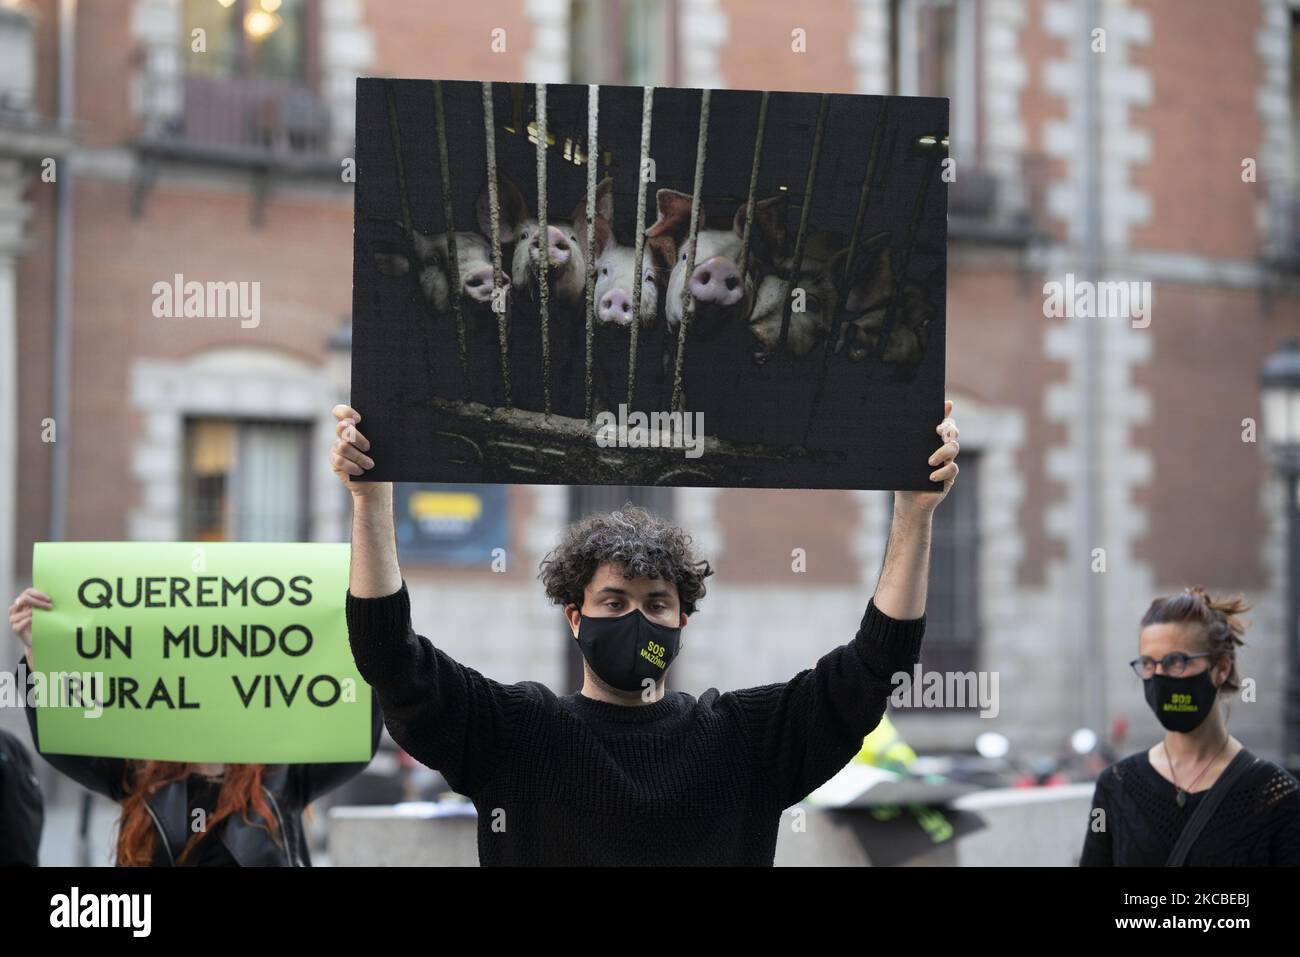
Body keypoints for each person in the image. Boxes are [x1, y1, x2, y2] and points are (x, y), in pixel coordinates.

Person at [333, 399, 960, 865]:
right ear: (574, 617)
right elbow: (390, 657)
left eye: (657, 604)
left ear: (682, 621)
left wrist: (913, 512)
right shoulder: (515, 732)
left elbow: (876, 665)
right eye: (614, 600)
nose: (637, 619)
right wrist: (371, 502)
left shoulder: (746, 740)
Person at [9, 588, 383, 866]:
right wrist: (37, 654)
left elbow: (358, 739)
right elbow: (60, 739)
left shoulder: (281, 775)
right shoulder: (139, 773)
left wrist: (369, 645)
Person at [1079, 587, 1300, 865]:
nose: (1159, 677)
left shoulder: (1274, 794)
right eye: (1148, 663)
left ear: (1221, 668)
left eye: (1176, 662)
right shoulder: (1115, 785)